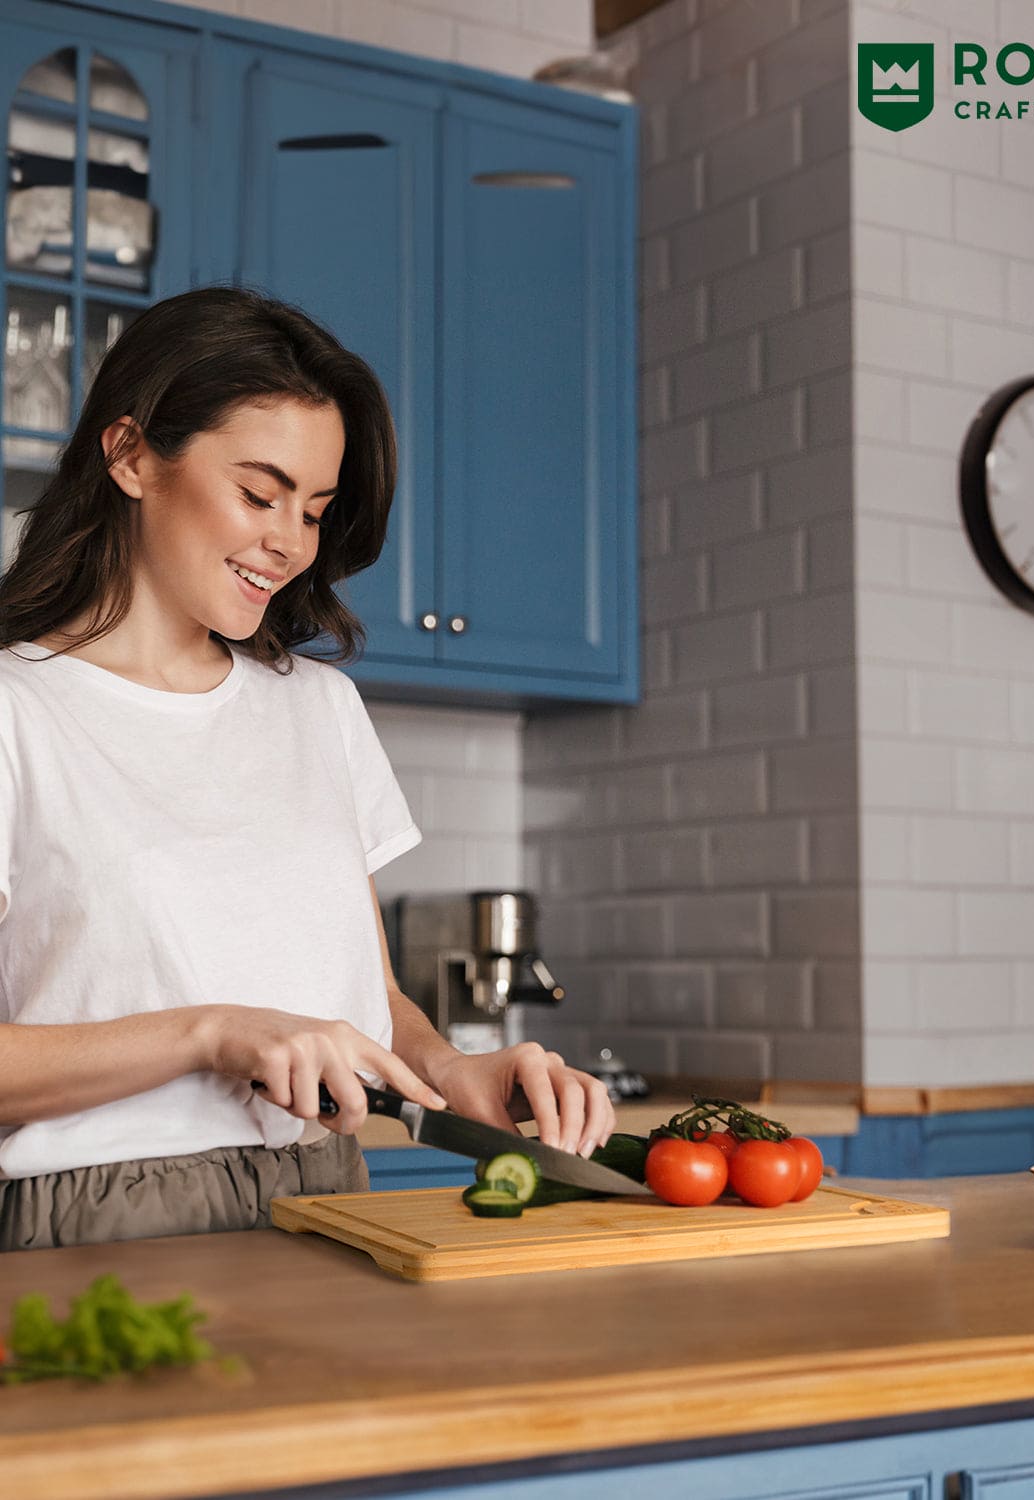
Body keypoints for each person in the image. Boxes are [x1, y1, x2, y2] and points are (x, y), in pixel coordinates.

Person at [0, 286, 614, 1250]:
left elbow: (365, 996)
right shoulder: (16, 714)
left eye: (315, 510)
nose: (290, 543)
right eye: (259, 493)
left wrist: (451, 1072)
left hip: (332, 1189)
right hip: (106, 1217)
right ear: (129, 455)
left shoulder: (318, 711)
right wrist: (210, 1035)